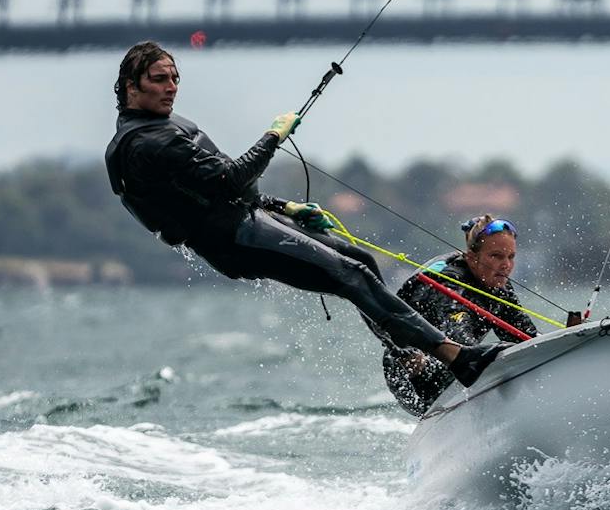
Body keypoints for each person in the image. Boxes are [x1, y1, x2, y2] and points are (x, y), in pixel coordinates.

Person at [104, 40, 499, 388]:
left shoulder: (161, 126)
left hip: (248, 219)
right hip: (236, 241)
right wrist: (274, 135)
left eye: (175, 78)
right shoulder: (148, 143)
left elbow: (209, 191)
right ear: (130, 86)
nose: (171, 87)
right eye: (159, 79)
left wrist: (285, 207)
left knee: (359, 260)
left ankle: (409, 357)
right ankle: (457, 359)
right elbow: (230, 180)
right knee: (350, 275)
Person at [383, 214, 537, 416]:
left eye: (511, 257)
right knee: (472, 359)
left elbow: (525, 337)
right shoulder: (451, 284)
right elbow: (460, 342)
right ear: (472, 258)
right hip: (411, 376)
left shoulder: (498, 286)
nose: (506, 265)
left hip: (455, 364)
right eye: (496, 256)